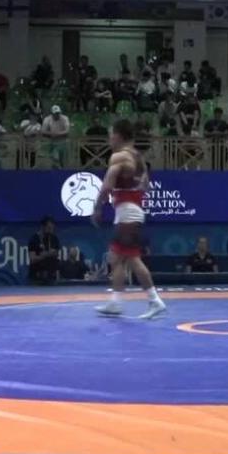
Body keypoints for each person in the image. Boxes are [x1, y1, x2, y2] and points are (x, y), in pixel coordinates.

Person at [92, 120, 167, 319]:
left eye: (111, 134)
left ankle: (155, 300)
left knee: (132, 258)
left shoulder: (118, 157)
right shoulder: (138, 157)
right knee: (116, 258)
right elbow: (146, 186)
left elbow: (107, 186)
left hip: (127, 212)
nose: (109, 139)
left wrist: (97, 207)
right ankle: (116, 302)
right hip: (131, 210)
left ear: (118, 135)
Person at [28, 217, 61, 286]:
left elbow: (56, 253)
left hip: (50, 277)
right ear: (42, 227)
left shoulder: (54, 238)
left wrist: (47, 254)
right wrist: (43, 256)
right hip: (37, 276)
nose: (51, 230)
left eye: (52, 228)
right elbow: (32, 259)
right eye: (49, 228)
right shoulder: (34, 239)